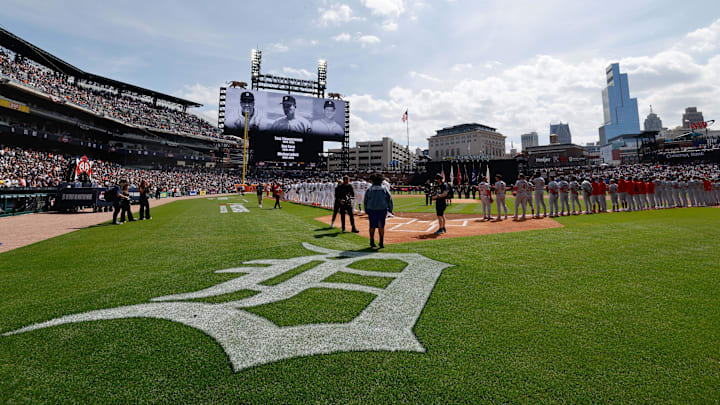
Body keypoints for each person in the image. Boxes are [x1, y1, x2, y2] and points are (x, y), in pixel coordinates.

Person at [363, 173, 394, 248]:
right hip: (382, 209)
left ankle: (372, 241)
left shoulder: (369, 189)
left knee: (372, 226)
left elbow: (365, 200)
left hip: (371, 209)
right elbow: (389, 199)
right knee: (381, 225)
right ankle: (381, 242)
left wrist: (366, 209)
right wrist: (390, 209)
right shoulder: (384, 188)